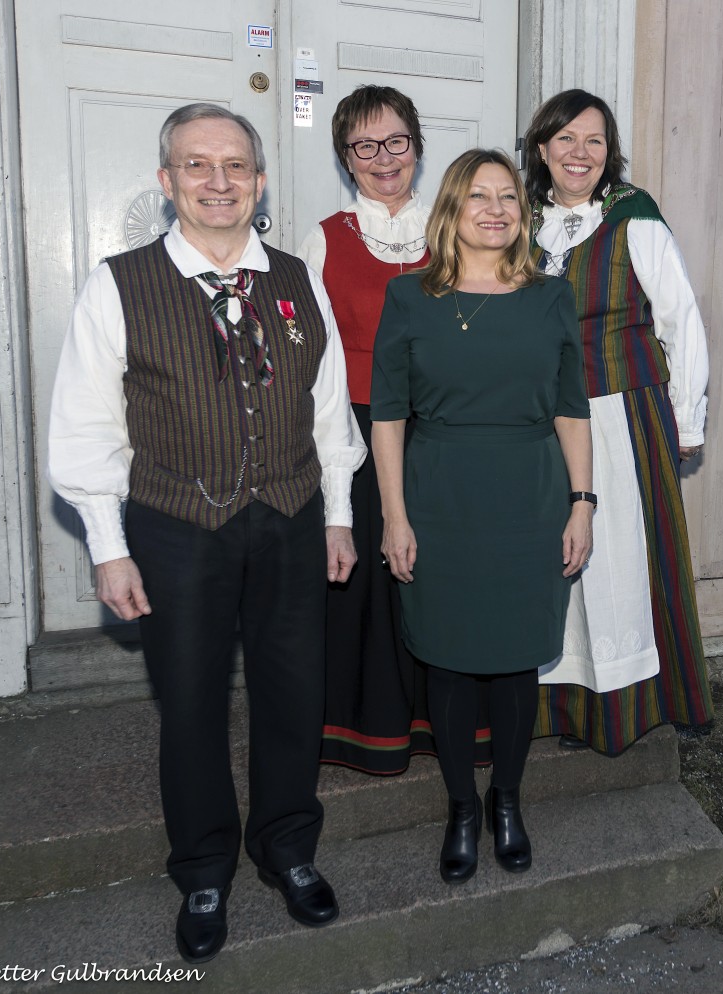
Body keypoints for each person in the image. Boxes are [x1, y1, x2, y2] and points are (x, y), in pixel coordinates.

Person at [48, 103, 366, 964]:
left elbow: (327, 407)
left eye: (235, 166)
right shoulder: (120, 283)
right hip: (177, 524)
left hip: (294, 513)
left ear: (259, 183)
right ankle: (201, 867)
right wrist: (108, 546)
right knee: (188, 701)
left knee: (294, 692)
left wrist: (337, 514)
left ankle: (289, 848)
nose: (217, 180)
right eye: (197, 165)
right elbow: (86, 427)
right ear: (168, 182)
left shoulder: (297, 279)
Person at [370, 149, 593, 883]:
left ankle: (508, 800)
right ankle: (462, 805)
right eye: (477, 197)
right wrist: (394, 518)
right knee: (449, 658)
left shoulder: (552, 296)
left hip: (529, 496)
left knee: (517, 656)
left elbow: (570, 408)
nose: (495, 209)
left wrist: (582, 504)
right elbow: (390, 417)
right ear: (452, 212)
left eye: (507, 197)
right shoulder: (409, 299)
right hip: (440, 498)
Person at [524, 88, 714, 755]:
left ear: (610, 153)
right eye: (566, 139)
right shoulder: (520, 222)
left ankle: (631, 702)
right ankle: (564, 697)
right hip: (544, 422)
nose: (580, 153)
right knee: (559, 559)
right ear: (541, 148)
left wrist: (687, 418)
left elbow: (680, 321)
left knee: (621, 560)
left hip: (622, 412)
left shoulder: (635, 218)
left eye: (595, 141)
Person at [296, 85, 439, 774]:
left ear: (416, 145)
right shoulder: (322, 241)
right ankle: (368, 730)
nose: (383, 158)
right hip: (354, 430)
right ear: (345, 157)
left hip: (445, 433)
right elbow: (313, 364)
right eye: (364, 145)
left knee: (440, 578)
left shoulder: (457, 229)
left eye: (396, 142)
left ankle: (448, 726)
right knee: (368, 585)